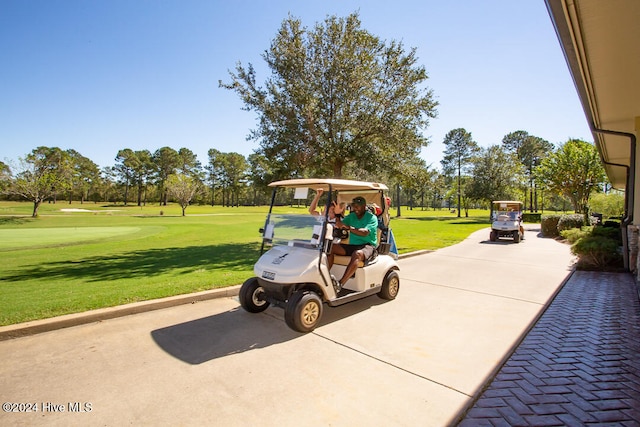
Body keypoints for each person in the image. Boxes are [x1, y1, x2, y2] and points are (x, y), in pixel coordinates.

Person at [328, 196, 378, 292]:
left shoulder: (371, 218)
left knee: (357, 254)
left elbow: (364, 232)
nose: (355, 209)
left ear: (364, 206)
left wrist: (348, 227)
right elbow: (339, 224)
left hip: (368, 245)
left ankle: (340, 284)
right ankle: (326, 277)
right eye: (354, 206)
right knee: (331, 247)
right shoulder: (352, 216)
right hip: (353, 245)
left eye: (357, 206)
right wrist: (337, 213)